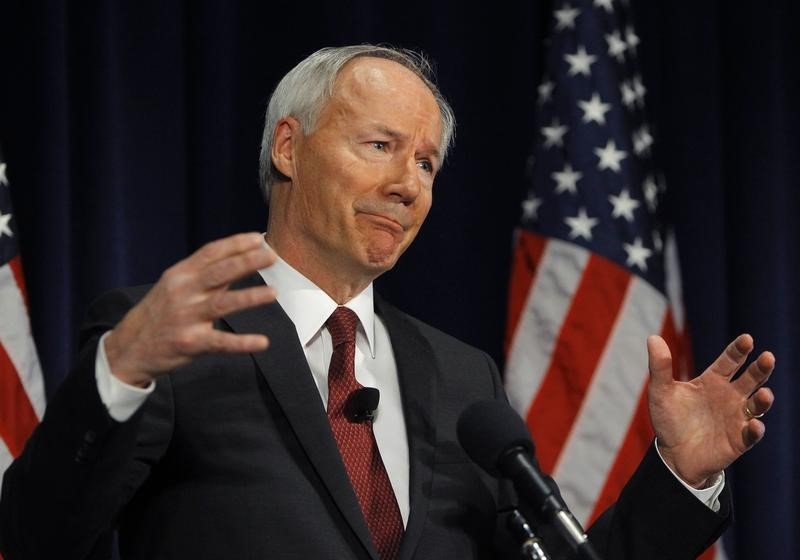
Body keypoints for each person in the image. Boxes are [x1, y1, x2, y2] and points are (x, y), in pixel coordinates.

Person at [0, 45, 775, 560]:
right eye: (381, 146)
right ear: (288, 147)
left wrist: (678, 477)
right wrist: (122, 368)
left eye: (428, 162)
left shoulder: (462, 380)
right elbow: (37, 533)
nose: (409, 184)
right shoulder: (172, 336)